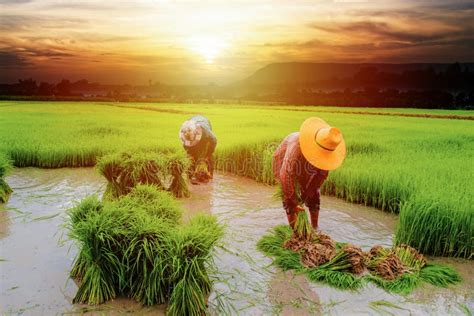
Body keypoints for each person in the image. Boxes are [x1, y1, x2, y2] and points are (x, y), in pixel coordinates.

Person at [272, 117, 346, 229]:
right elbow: (286, 174)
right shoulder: (296, 145)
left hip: (307, 164)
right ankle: (296, 233)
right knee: (289, 197)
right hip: (285, 163)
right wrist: (294, 202)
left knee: (314, 195)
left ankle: (315, 228)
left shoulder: (327, 149)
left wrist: (306, 195)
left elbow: (321, 176)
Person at [179, 115, 217, 184]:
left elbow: (214, 140)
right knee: (191, 158)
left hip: (203, 131)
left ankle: (209, 175)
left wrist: (208, 154)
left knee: (208, 158)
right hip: (193, 121)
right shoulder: (184, 132)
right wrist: (190, 155)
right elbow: (186, 145)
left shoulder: (206, 131)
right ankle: (191, 176)